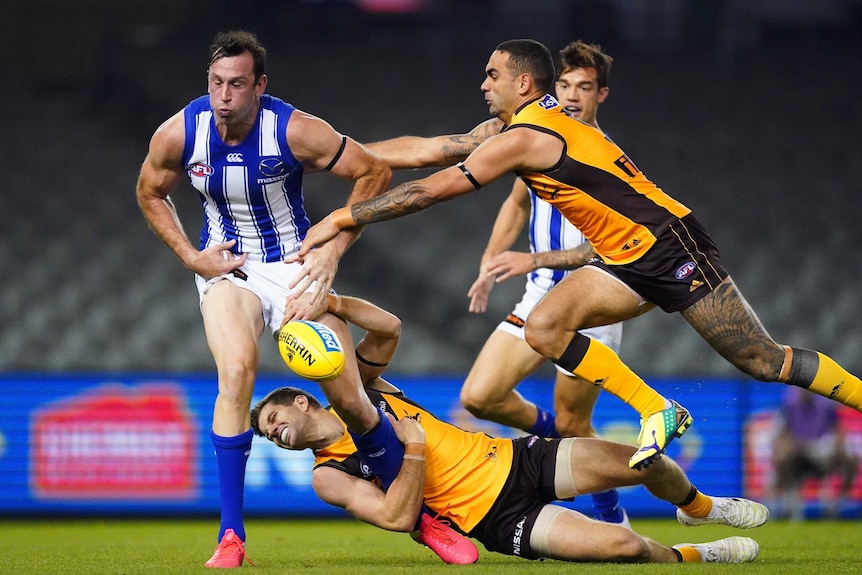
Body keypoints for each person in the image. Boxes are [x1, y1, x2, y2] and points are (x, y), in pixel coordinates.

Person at [293, 38, 862, 472]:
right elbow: (435, 149)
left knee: (762, 362)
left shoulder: (528, 135)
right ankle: (658, 409)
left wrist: (343, 215)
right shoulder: (513, 125)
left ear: (521, 82)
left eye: (492, 75)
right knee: (543, 327)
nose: (483, 83)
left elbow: (436, 187)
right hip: (621, 262)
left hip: (669, 243)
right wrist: (344, 155)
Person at [136, 30, 408, 568]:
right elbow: (149, 190)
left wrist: (332, 249)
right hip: (227, 268)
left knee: (351, 397)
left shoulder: (295, 129)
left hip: (294, 267)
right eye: (217, 83)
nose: (225, 95)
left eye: (238, 84)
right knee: (236, 373)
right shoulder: (178, 134)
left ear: (260, 85)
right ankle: (231, 538)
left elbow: (375, 170)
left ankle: (425, 519)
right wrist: (191, 256)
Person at [252, 294, 769, 564]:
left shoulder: (366, 391)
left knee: (647, 461)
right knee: (626, 549)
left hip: (515, 458)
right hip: (493, 519)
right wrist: (412, 455)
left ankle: (699, 509)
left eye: (274, 420)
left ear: (302, 400)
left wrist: (334, 303)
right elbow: (395, 516)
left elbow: (388, 328)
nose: (275, 433)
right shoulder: (327, 474)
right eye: (267, 435)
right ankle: (697, 555)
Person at [366, 40, 627, 525]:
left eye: (584, 87)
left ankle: (613, 514)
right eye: (565, 84)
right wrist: (489, 260)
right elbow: (517, 201)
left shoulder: (602, 155)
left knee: (573, 421)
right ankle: (564, 444)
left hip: (594, 293)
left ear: (601, 95)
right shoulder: (533, 138)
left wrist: (533, 258)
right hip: (541, 292)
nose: (572, 95)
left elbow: (611, 245)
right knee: (480, 396)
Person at [771, 386, 858, 520]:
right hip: (799, 454)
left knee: (851, 460)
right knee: (782, 457)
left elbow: (838, 430)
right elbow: (780, 436)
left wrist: (837, 447)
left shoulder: (826, 405)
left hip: (823, 452)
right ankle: (791, 502)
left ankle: (838, 504)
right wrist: (790, 446)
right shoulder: (789, 404)